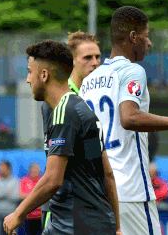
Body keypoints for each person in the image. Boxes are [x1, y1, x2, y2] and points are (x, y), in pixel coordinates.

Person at [79, 6, 168, 235]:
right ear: (133, 37)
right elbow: (129, 117)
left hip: (97, 189)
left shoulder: (89, 80)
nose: (149, 43)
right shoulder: (132, 70)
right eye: (147, 36)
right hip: (129, 190)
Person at [3, 40, 121, 235]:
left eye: (29, 71)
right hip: (98, 222)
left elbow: (52, 180)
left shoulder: (63, 113)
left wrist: (18, 213)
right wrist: (116, 226)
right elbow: (107, 173)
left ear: (44, 75)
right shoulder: (81, 108)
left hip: (73, 225)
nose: (27, 79)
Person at [40, 31, 101, 228]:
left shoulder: (92, 98)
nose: (95, 63)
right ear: (72, 61)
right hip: (61, 207)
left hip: (90, 204)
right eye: (87, 57)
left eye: (98, 57)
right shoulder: (58, 100)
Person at [0, 160, 20, 235]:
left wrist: (0, 195)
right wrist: (7, 193)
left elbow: (16, 197)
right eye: (0, 168)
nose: (1, 170)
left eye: (3, 168)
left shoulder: (15, 181)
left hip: (11, 216)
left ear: (8, 168)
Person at [19, 163, 42, 235]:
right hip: (28, 214)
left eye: (36, 169)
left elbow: (46, 195)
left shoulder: (42, 180)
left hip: (41, 215)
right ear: (30, 170)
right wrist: (37, 195)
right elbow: (21, 195)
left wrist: (29, 196)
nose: (35, 171)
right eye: (33, 169)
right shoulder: (24, 180)